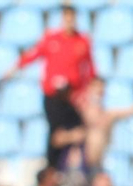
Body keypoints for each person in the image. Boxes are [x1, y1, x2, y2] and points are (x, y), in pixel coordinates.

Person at [6, 4, 96, 164]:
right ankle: (52, 165)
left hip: (72, 97)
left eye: (72, 18)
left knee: (78, 131)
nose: (69, 22)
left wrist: (86, 93)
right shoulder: (51, 39)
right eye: (66, 18)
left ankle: (73, 166)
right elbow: (33, 55)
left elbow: (90, 69)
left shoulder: (82, 41)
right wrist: (14, 68)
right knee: (56, 131)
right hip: (53, 96)